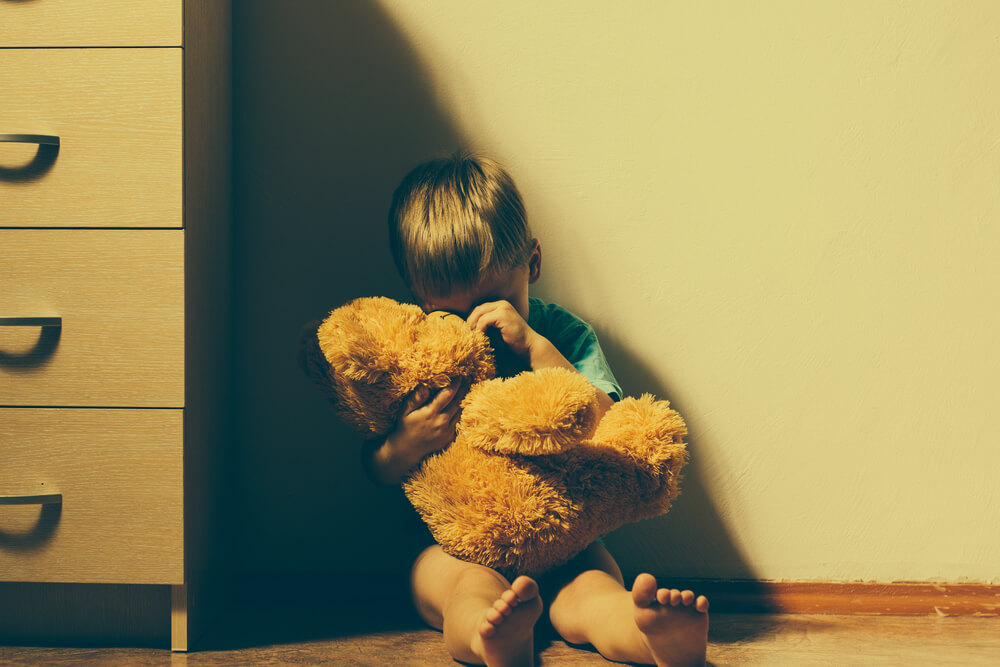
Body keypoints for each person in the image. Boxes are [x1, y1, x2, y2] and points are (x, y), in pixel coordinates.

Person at [371, 151, 709, 667]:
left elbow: (611, 429)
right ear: (414, 295)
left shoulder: (564, 336)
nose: (473, 328)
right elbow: (377, 471)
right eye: (449, 313)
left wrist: (538, 351)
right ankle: (492, 638)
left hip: (563, 542)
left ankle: (646, 633)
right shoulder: (414, 353)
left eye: (493, 303)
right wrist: (406, 442)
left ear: (531, 264)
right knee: (458, 587)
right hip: (457, 549)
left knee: (592, 590)